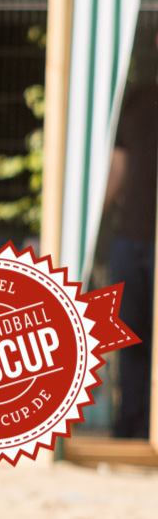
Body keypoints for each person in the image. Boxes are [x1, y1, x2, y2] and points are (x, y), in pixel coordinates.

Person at [106, 33, 158, 439]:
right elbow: (117, 170)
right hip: (130, 238)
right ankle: (130, 431)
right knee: (129, 338)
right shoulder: (136, 100)